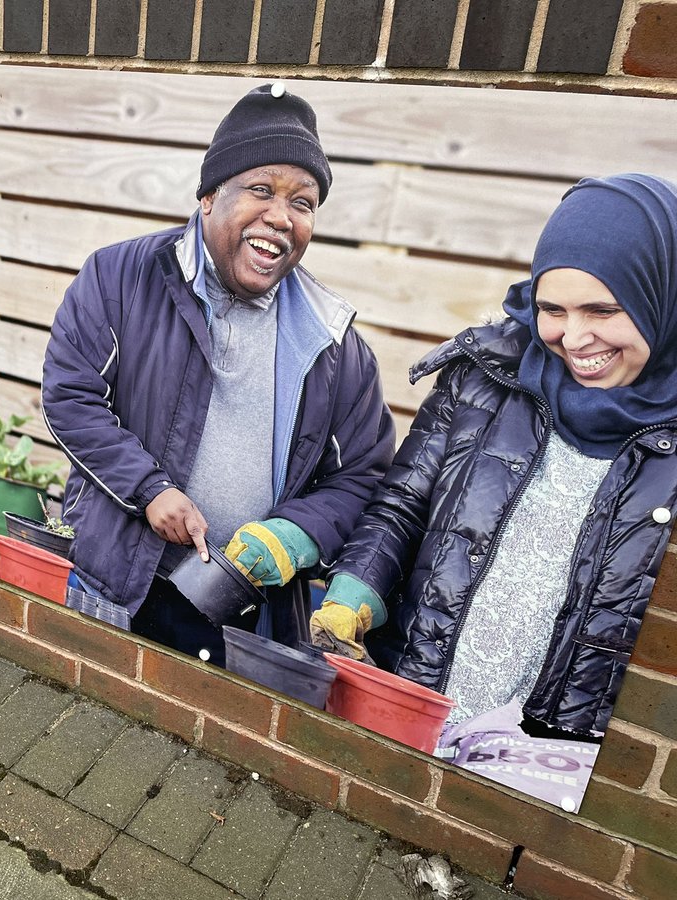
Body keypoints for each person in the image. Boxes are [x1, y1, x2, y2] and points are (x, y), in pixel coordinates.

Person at [41, 84, 396, 665]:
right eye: (261, 189)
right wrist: (148, 488)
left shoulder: (336, 347)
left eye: (302, 203)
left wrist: (295, 533)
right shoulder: (121, 277)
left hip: (236, 614)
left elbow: (360, 476)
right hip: (111, 580)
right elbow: (71, 395)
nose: (280, 216)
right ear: (208, 196)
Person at [315, 173, 677, 741]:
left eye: (603, 311)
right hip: (411, 703)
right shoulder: (484, 376)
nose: (574, 338)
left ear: (663, 295)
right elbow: (402, 505)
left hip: (550, 760)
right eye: (552, 308)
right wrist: (356, 585)